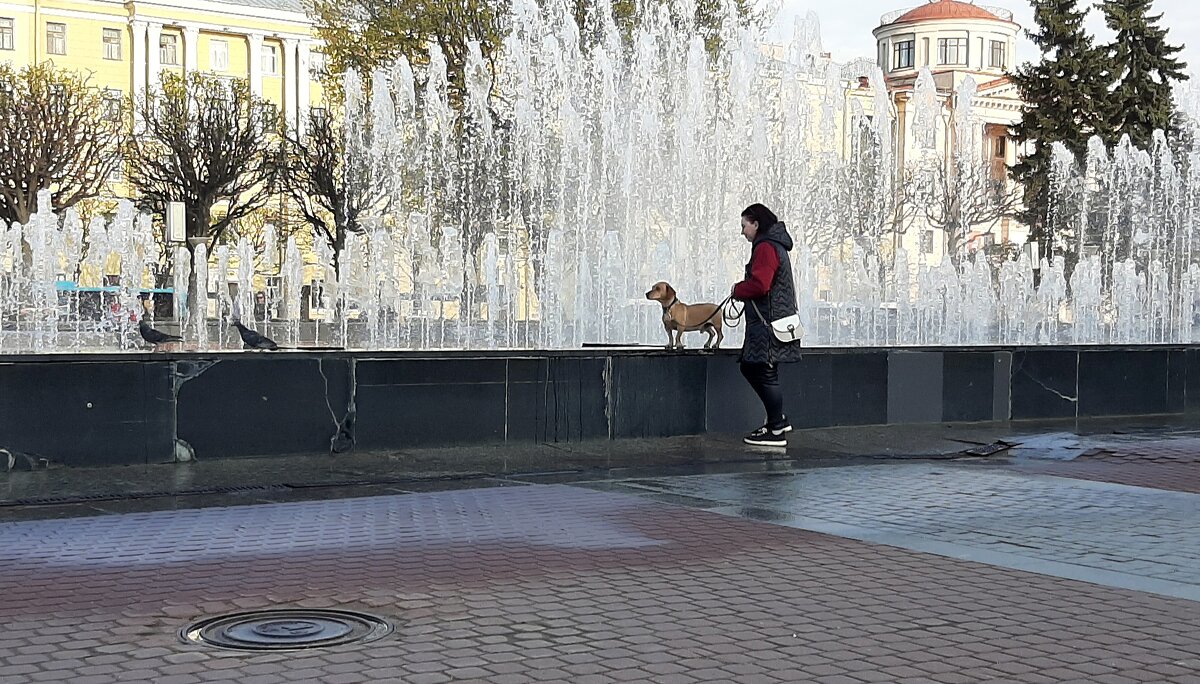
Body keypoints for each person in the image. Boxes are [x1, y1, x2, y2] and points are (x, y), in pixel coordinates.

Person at [730, 203, 802, 447]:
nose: (742, 232)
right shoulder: (775, 245)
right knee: (756, 369)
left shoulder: (765, 247)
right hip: (776, 321)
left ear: (756, 224)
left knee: (762, 371)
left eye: (744, 226)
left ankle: (776, 429)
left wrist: (737, 289)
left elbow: (761, 285)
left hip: (769, 324)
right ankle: (777, 421)